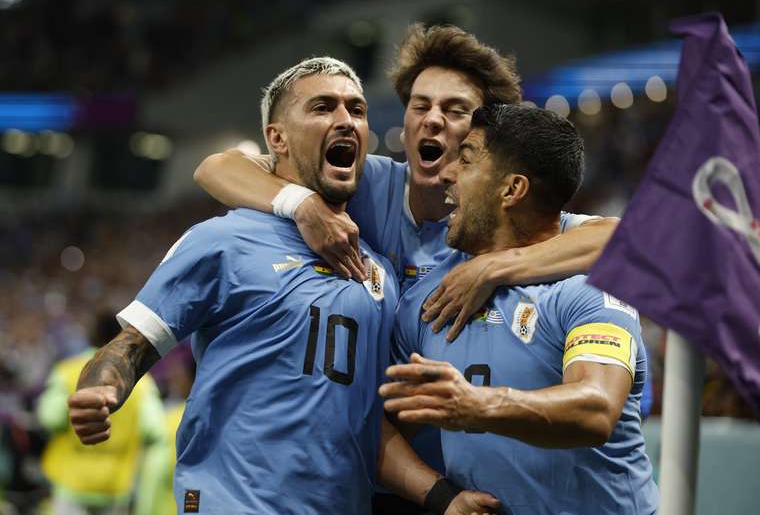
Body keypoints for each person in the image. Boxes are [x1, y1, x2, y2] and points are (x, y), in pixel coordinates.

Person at [192, 25, 617, 513]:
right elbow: (215, 167)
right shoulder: (371, 184)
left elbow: (628, 237)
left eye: (455, 110)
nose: (432, 121)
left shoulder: (500, 224)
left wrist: (495, 267)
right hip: (371, 478)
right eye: (421, 105)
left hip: (462, 485)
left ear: (484, 136)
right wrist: (302, 204)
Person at [66, 57, 499, 515]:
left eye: (356, 109)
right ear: (277, 139)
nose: (345, 121)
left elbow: (366, 424)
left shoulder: (378, 276)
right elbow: (132, 346)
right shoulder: (223, 240)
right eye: (323, 107)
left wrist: (444, 498)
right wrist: (100, 389)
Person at [380, 104, 659, 514]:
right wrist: (441, 496)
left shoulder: (586, 289)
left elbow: (597, 409)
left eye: (467, 158)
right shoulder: (430, 298)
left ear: (512, 190)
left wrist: (479, 407)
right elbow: (376, 425)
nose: (447, 173)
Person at [36, 311, 166, 515]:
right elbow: (154, 429)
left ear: (92, 335)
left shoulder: (68, 370)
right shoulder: (143, 384)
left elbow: (49, 418)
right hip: (116, 485)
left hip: (72, 481)